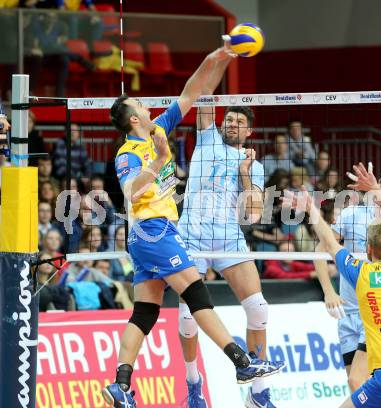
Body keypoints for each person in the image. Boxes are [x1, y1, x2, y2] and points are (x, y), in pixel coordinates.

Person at [102, 44, 284, 408]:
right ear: (132, 119)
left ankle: (121, 383)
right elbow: (129, 190)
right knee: (197, 297)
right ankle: (242, 363)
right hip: (154, 230)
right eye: (139, 105)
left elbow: (193, 91)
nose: (146, 105)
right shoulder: (130, 151)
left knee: (146, 311)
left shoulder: (158, 131)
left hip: (157, 234)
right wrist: (160, 162)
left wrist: (218, 57)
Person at [286, 163, 381, 408]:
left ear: (368, 251)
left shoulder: (363, 273)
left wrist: (312, 212)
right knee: (354, 380)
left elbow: (328, 242)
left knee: (361, 382)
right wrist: (377, 190)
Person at [177, 54, 279, 408]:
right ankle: (193, 383)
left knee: (259, 309)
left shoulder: (255, 165)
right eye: (229, 119)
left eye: (239, 122)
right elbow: (204, 92)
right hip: (191, 238)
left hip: (230, 240)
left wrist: (246, 175)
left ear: (249, 131)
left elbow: (251, 215)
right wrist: (222, 56)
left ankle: (259, 393)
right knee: (188, 316)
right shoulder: (207, 140)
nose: (232, 124)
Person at [313, 168, 381, 392]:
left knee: (371, 382)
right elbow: (321, 248)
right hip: (348, 312)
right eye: (380, 182)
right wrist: (329, 291)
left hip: (378, 315)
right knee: (355, 386)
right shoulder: (352, 214)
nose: (378, 186)